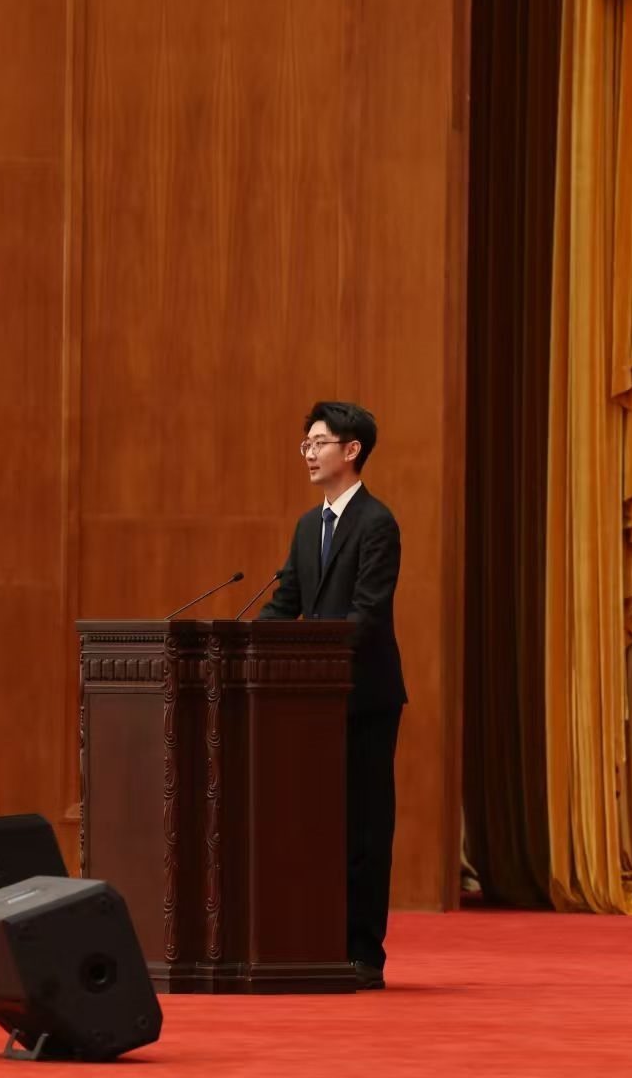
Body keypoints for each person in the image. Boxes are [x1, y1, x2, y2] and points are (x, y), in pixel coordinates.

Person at [259, 401, 406, 989]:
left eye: (318, 443)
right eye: (306, 444)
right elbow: (285, 603)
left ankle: (364, 953)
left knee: (364, 828)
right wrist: (243, 646)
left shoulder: (377, 523)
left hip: (364, 698)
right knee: (316, 826)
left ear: (351, 450)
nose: (309, 453)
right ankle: (317, 942)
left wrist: (315, 657)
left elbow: (367, 614)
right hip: (312, 704)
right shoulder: (306, 526)